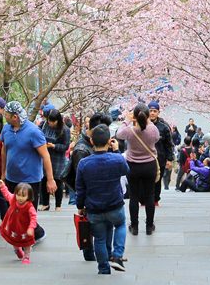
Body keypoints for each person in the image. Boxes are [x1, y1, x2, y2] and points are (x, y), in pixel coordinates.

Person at [0, 101, 57, 242]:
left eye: (6, 114)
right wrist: (3, 173)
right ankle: (28, 235)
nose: (4, 116)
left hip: (31, 179)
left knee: (28, 211)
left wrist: (50, 179)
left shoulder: (33, 131)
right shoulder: (6, 129)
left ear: (15, 117)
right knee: (15, 210)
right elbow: (4, 151)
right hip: (12, 177)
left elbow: (45, 155)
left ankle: (34, 235)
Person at [75, 124, 129, 274]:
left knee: (99, 238)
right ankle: (117, 256)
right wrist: (117, 150)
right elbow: (126, 170)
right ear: (109, 141)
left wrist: (80, 206)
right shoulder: (117, 159)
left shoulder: (84, 163)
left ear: (91, 141)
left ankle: (103, 268)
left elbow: (80, 188)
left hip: (94, 208)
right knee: (120, 225)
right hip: (115, 205)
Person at [116, 104, 161, 235]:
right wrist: (146, 120)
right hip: (149, 166)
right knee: (150, 196)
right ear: (147, 116)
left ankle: (134, 226)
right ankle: (149, 226)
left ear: (135, 116)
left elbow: (119, 134)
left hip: (133, 166)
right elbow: (157, 138)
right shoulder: (153, 129)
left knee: (134, 196)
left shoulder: (130, 130)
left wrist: (128, 120)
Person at [0, 181, 38, 264]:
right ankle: (17, 250)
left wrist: (31, 228)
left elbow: (33, 218)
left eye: (23, 196)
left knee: (27, 243)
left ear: (29, 196)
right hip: (14, 226)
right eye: (18, 195)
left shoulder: (29, 207)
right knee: (14, 240)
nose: (20, 198)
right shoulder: (13, 200)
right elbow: (7, 194)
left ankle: (26, 256)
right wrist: (2, 186)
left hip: (25, 228)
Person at [39, 109, 71, 212]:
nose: (51, 123)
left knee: (57, 180)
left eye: (53, 121)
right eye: (49, 121)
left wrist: (54, 146)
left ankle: (58, 205)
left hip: (58, 158)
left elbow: (66, 146)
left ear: (58, 120)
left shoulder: (65, 130)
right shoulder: (44, 125)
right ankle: (45, 203)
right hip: (45, 155)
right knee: (44, 179)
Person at [149, 101, 174, 201]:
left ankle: (155, 199)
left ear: (158, 112)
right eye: (150, 111)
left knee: (157, 180)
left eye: (154, 111)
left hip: (160, 158)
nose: (152, 113)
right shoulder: (142, 126)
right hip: (145, 157)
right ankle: (145, 199)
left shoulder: (164, 127)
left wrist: (169, 159)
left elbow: (168, 144)